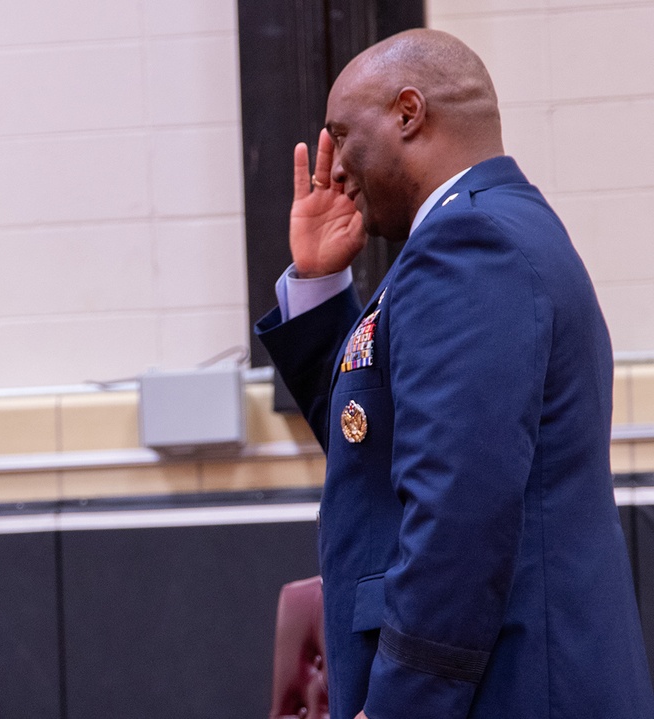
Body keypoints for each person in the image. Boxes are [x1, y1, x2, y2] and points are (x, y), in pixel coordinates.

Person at [256, 28, 654, 719]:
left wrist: (399, 707)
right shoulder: (491, 230)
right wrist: (321, 285)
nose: (336, 168)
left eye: (343, 135)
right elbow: (377, 442)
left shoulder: (469, 246)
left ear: (409, 113)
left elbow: (455, 516)